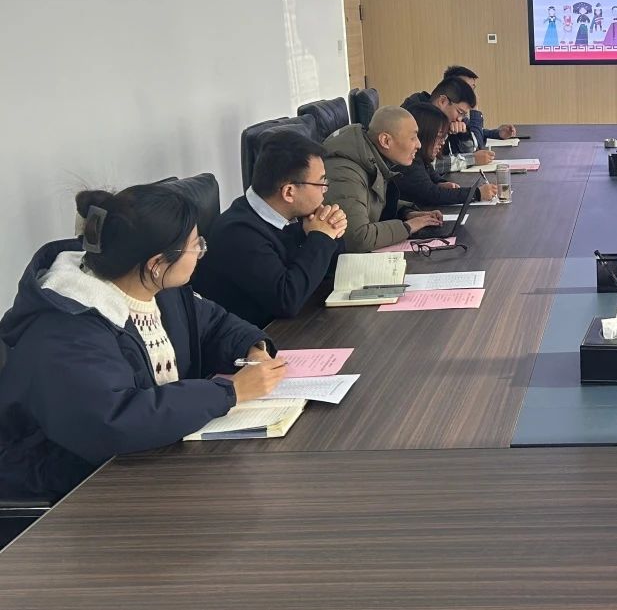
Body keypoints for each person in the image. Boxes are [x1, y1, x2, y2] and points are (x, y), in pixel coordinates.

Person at [0, 184, 287, 500]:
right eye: (196, 245)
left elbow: (213, 324)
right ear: (157, 263)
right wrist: (229, 393)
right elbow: (114, 421)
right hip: (73, 484)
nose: (202, 253)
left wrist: (252, 348)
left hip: (149, 456)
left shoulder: (157, 287)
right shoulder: (69, 327)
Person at [193, 130, 347, 326]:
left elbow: (331, 272)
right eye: (321, 182)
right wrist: (321, 237)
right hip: (259, 336)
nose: (325, 190)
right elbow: (287, 300)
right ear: (289, 192)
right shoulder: (238, 233)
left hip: (295, 325)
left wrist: (332, 228)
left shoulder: (292, 214)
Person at [323, 106, 443, 253]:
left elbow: (370, 203)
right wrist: (409, 226)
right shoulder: (344, 173)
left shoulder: (370, 158)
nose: (418, 144)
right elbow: (358, 238)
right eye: (413, 138)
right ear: (385, 141)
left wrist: (405, 212)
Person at [397, 102, 498, 207]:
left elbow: (432, 174)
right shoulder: (407, 161)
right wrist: (477, 193)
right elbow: (432, 195)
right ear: (424, 134)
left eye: (444, 137)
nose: (442, 142)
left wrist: (440, 183)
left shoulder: (420, 157)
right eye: (439, 136)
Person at [403, 77, 495, 171]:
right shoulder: (417, 116)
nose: (460, 119)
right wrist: (471, 159)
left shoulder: (446, 119)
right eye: (459, 112)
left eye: (463, 115)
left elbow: (471, 151)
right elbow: (426, 164)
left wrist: (463, 134)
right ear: (442, 101)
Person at [439, 65, 518, 150]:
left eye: (473, 89)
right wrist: (475, 109)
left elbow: (473, 131)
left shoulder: (457, 114)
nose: (472, 94)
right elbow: (477, 145)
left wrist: (498, 134)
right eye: (468, 89)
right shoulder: (444, 115)